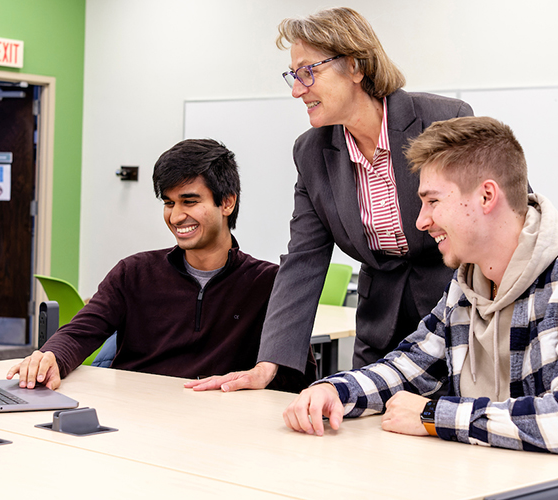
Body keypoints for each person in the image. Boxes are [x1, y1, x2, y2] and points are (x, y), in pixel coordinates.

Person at [186, 7, 473, 393]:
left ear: (355, 65)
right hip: (379, 327)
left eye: (308, 72)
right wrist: (268, 363)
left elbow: (492, 220)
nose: (296, 89)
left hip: (458, 317)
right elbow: (304, 258)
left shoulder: (444, 119)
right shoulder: (311, 152)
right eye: (293, 75)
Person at [283, 116, 558, 454]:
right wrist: (334, 391)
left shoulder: (553, 283)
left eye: (433, 201)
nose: (421, 221)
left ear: (487, 196)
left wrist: (432, 415)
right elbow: (410, 366)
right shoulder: (466, 284)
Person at [7, 139, 313, 393]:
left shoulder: (269, 284)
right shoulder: (134, 272)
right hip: (134, 419)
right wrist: (50, 356)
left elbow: (299, 376)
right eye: (168, 203)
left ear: (227, 203)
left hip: (220, 429)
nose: (176, 216)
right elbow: (81, 331)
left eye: (189, 202)